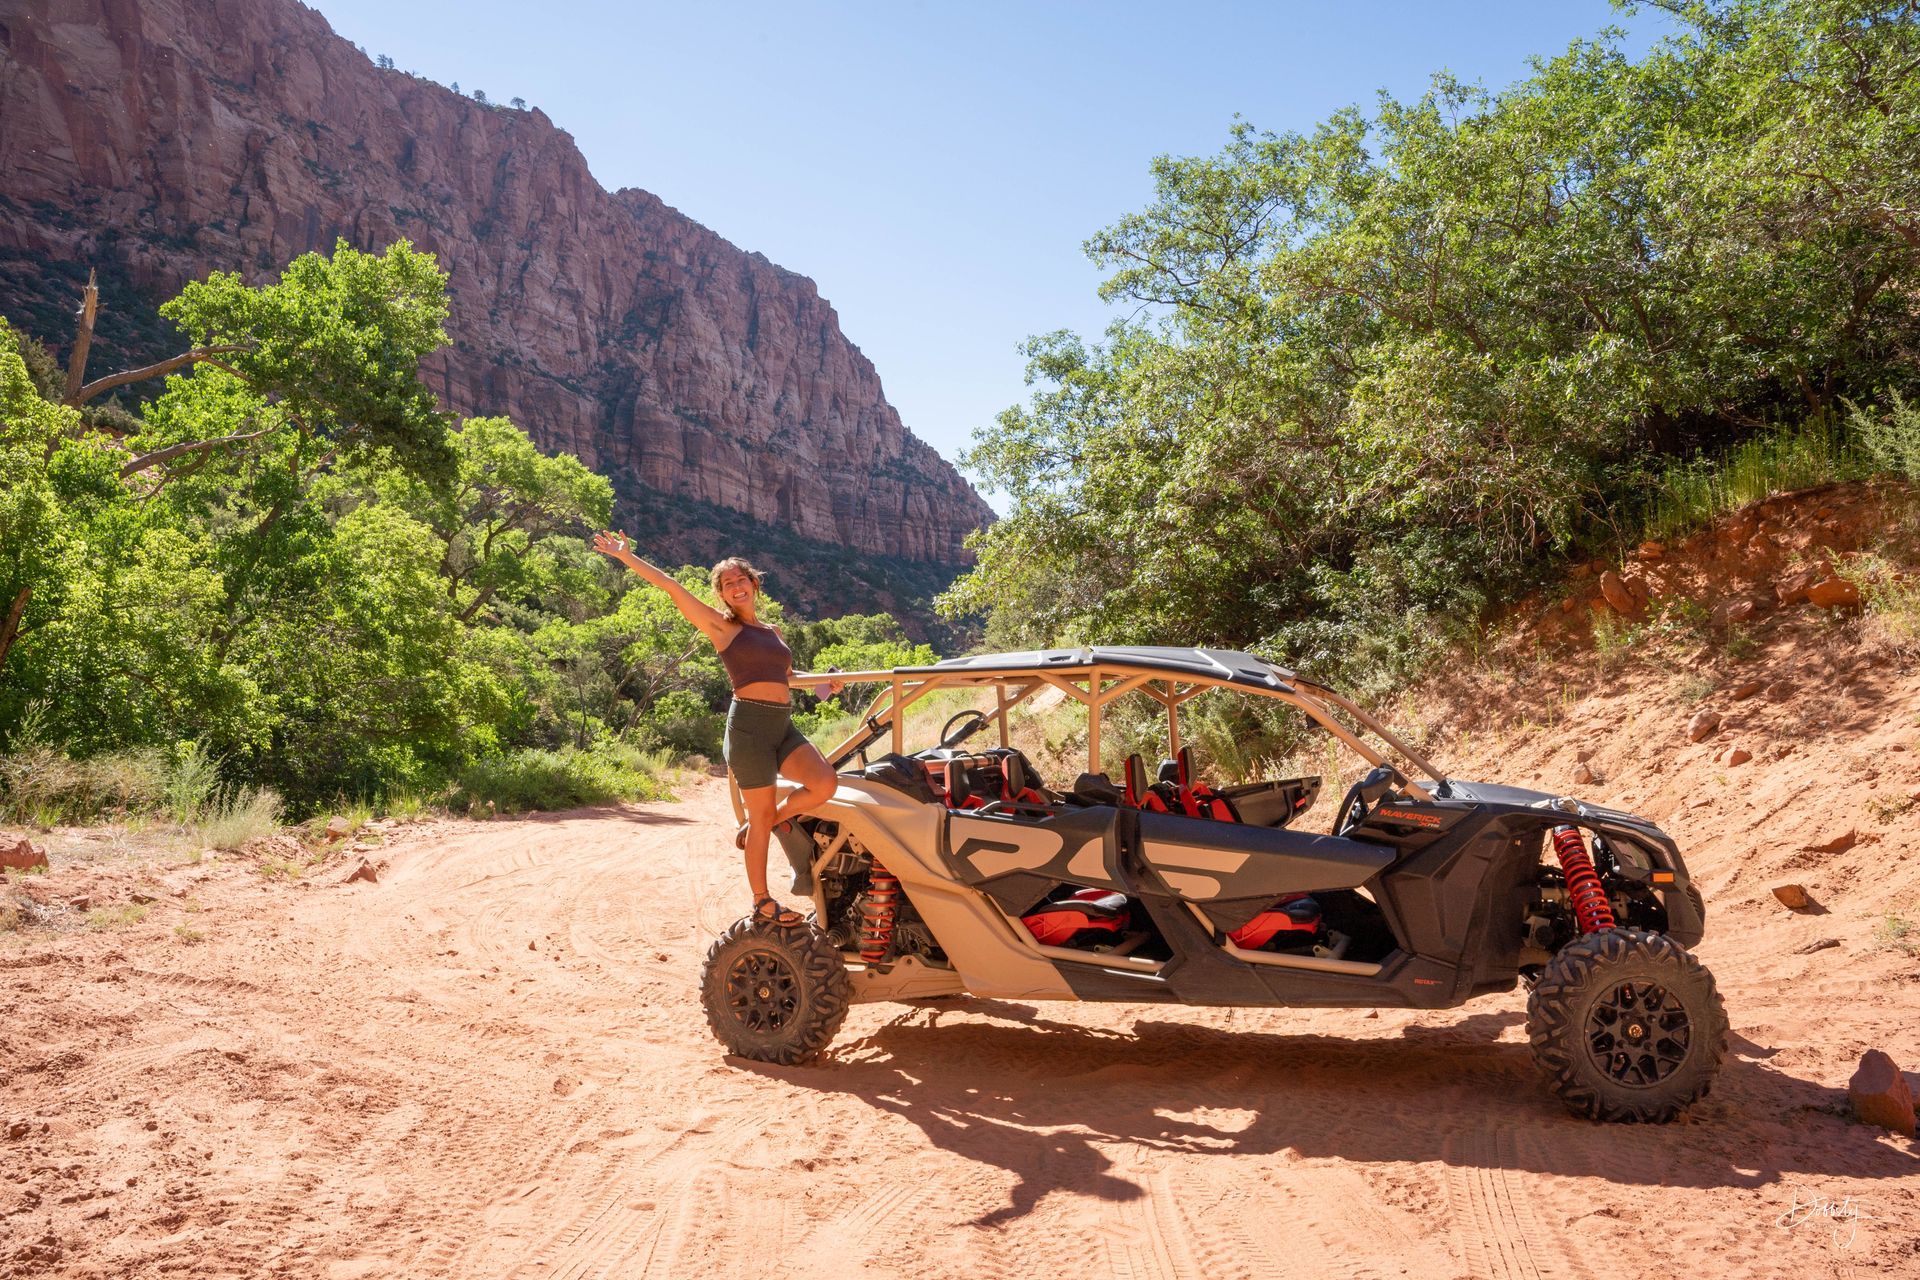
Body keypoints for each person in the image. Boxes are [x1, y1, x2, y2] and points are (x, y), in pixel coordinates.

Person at [591, 532, 842, 927]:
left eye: (741, 580)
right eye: (727, 585)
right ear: (722, 596)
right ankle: (761, 901)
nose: (736, 587)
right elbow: (672, 588)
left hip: (783, 725)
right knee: (760, 817)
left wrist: (825, 686)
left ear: (754, 584)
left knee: (824, 783)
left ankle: (763, 822)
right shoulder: (723, 629)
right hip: (749, 730)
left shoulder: (772, 631)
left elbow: (787, 676)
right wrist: (627, 557)